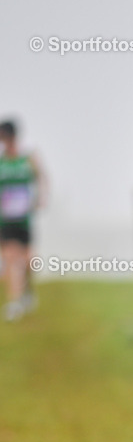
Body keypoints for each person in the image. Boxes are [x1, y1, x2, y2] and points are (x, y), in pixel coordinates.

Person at [0, 120, 46, 321]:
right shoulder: (1, 160)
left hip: (25, 217)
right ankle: (15, 300)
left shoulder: (28, 157)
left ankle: (27, 291)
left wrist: (40, 199)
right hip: (6, 218)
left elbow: (42, 178)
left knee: (28, 259)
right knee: (10, 257)